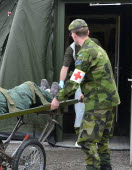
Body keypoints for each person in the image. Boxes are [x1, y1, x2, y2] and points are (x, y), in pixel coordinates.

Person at [51, 19, 120, 170]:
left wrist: (57, 98)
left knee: (86, 141)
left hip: (98, 103)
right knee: (102, 139)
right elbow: (101, 76)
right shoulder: (97, 48)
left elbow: (75, 81)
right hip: (110, 101)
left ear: (73, 35)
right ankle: (106, 167)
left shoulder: (85, 53)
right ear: (88, 32)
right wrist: (86, 93)